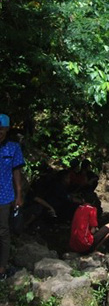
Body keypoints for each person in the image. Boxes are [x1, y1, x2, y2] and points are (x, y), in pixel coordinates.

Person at [0, 114, 24, 280]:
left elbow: (17, 173)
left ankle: (1, 268)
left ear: (7, 130)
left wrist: (19, 195)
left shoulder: (13, 148)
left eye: (1, 129)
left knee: (3, 232)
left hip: (5, 197)